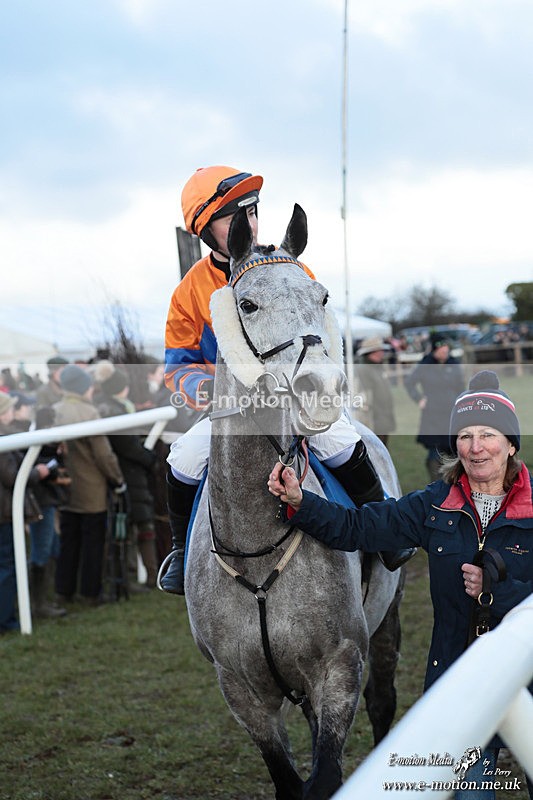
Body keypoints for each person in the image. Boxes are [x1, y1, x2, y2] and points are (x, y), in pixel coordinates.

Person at [268, 370, 532, 800]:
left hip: (529, 676)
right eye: (465, 435)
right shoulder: (434, 505)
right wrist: (302, 502)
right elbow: (357, 527)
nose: (476, 446)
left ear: (511, 444)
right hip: (460, 680)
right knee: (469, 795)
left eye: (489, 434)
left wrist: (496, 590)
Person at [161, 165, 415, 594]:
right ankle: (183, 552)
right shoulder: (190, 290)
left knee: (340, 440)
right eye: (234, 216)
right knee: (183, 458)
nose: (251, 224)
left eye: (254, 212)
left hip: (297, 402)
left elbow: (320, 332)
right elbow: (177, 363)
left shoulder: (290, 267)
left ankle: (381, 527)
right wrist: (204, 390)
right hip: (235, 412)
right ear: (205, 230)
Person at [52, 365, 125, 605]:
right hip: (91, 491)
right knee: (93, 544)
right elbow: (103, 455)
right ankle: (91, 593)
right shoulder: (89, 413)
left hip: (64, 488)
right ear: (83, 387)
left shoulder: (54, 411)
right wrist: (117, 479)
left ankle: (64, 591)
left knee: (68, 543)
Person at [94, 362, 159, 588]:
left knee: (134, 526)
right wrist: (150, 458)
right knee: (140, 524)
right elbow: (129, 446)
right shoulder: (115, 410)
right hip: (129, 473)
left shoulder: (109, 405)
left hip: (125, 472)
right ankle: (145, 575)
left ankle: (137, 574)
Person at [0, 393, 51, 632]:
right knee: (7, 565)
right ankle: (6, 620)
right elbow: (11, 476)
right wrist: (38, 473)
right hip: (4, 512)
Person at [404, 332, 465, 482]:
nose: (444, 350)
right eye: (440, 347)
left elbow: (461, 387)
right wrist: (419, 399)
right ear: (433, 349)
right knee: (435, 452)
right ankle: (437, 485)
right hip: (432, 415)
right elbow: (409, 382)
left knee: (454, 449)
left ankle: (455, 483)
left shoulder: (454, 363)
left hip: (452, 414)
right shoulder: (425, 364)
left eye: (446, 347)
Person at [355, 336, 396, 448]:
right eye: (378, 351)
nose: (382, 353)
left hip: (382, 418)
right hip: (373, 420)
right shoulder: (363, 369)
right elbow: (365, 397)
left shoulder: (378, 367)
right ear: (370, 353)